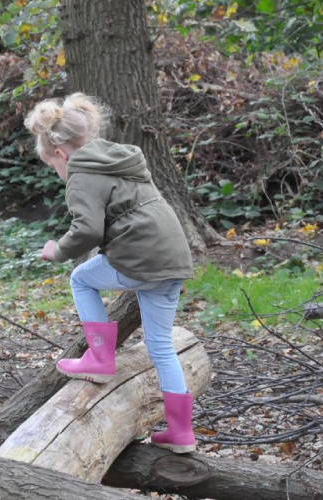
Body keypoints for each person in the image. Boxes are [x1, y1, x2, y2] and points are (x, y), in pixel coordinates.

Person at [25, 93, 196, 453]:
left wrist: (57, 250)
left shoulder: (82, 172)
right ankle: (181, 433)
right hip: (173, 255)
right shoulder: (122, 157)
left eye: (53, 166)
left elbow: (87, 229)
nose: (58, 174)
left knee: (81, 278)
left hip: (140, 255)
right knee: (161, 346)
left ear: (60, 153)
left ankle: (100, 358)